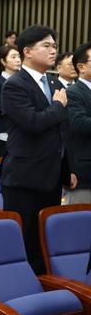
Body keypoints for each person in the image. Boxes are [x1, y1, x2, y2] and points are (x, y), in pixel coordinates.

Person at [0, 25, 75, 275]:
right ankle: (21, 290)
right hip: (24, 176)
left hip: (51, 175)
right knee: (24, 241)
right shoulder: (14, 84)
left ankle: (45, 288)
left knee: (44, 239)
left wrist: (68, 168)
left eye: (54, 46)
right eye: (47, 46)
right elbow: (32, 123)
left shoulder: (53, 81)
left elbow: (62, 132)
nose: (53, 50)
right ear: (27, 51)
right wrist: (56, 107)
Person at [66, 42, 91, 204]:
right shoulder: (73, 92)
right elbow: (79, 123)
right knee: (80, 224)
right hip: (85, 172)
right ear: (81, 67)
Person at [0, 45, 21, 156]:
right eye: (13, 57)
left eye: (18, 56)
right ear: (3, 61)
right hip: (5, 135)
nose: (18, 60)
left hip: (23, 134)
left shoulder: (23, 81)